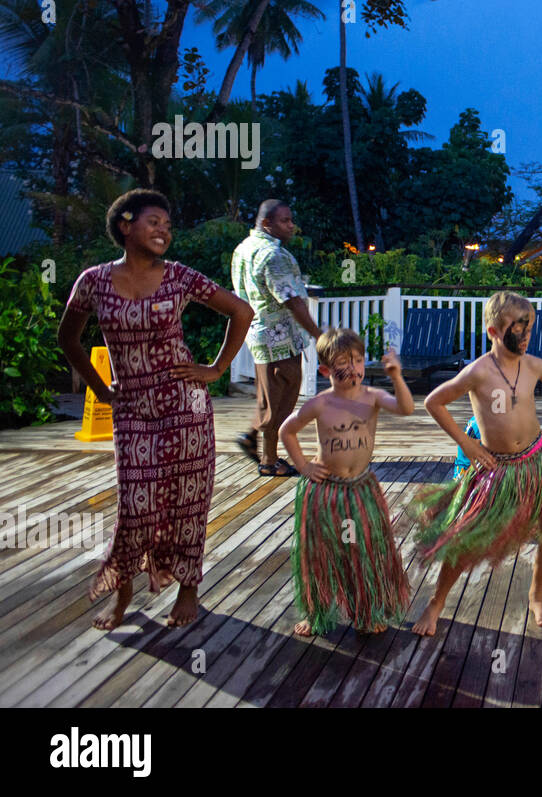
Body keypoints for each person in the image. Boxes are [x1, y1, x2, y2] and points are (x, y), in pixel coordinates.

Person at [57, 190, 253, 630]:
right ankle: (125, 591)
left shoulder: (180, 277)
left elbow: (241, 311)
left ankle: (188, 587)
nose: (164, 229)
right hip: (132, 408)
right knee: (136, 506)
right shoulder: (93, 281)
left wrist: (216, 368)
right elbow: (67, 338)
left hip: (185, 406)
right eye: (154, 221)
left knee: (189, 499)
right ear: (125, 226)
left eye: (167, 223)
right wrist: (99, 388)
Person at [410, 292, 542, 636]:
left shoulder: (533, 365)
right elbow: (434, 402)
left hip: (537, 462)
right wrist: (467, 444)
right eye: (517, 328)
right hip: (497, 469)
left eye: (529, 328)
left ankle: (537, 596)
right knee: (468, 539)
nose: (525, 335)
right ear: (493, 330)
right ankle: (437, 602)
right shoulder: (478, 371)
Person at [278, 328, 414, 635]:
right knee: (321, 554)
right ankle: (316, 614)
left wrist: (396, 376)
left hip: (361, 490)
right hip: (326, 492)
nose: (353, 367)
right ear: (326, 370)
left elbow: (406, 408)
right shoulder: (320, 404)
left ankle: (366, 611)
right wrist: (302, 466)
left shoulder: (374, 397)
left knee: (362, 550)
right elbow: (286, 431)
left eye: (358, 360)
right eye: (344, 361)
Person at [231, 200, 322, 477]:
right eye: (285, 221)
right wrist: (319, 336)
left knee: (270, 397)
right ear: (267, 223)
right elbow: (292, 301)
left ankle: (253, 439)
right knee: (281, 400)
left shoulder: (243, 249)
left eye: (291, 219)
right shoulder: (273, 255)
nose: (291, 225)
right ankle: (269, 461)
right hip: (279, 337)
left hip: (258, 333)